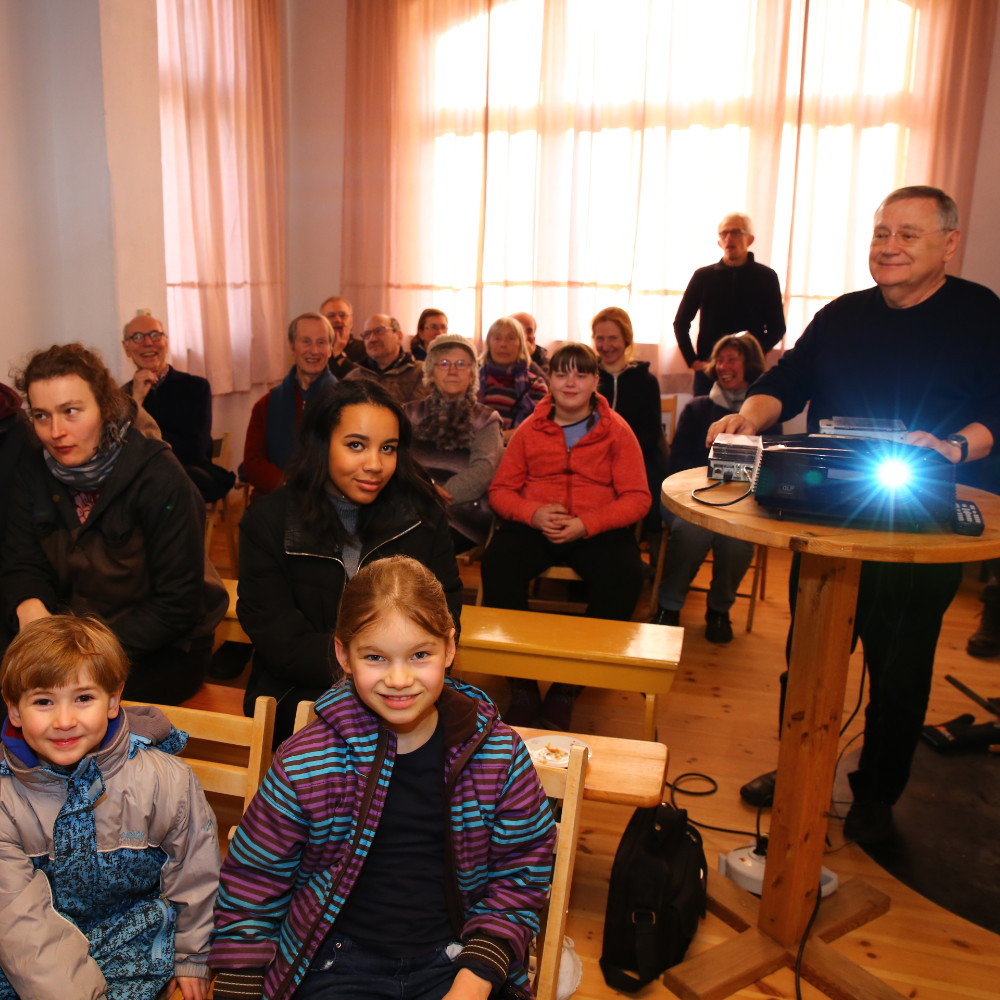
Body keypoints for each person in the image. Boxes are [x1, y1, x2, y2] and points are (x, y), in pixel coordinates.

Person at [709, 186, 1000, 845]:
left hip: (920, 520)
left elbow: (996, 412)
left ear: (949, 244)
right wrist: (746, 418)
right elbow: (785, 385)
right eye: (879, 233)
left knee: (899, 671)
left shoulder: (981, 315)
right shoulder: (842, 315)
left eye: (907, 235)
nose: (888, 247)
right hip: (827, 519)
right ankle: (798, 768)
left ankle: (876, 791)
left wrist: (954, 445)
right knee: (807, 657)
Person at [209, 556, 555, 1000]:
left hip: (459, 959)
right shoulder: (305, 762)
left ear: (449, 648)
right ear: (343, 655)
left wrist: (478, 974)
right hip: (338, 963)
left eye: (420, 655)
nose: (398, 679)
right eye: (375, 657)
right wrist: (239, 981)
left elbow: (522, 872)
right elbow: (254, 880)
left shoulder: (499, 755)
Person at [0, 615, 220, 1000]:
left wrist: (194, 955)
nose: (64, 721)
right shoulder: (5, 799)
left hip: (135, 943)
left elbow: (196, 874)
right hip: (33, 962)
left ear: (114, 699)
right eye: (43, 701)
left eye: (83, 698)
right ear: (15, 710)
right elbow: (22, 926)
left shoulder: (165, 781)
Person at [237, 379, 463, 744]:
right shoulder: (269, 521)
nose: (375, 464)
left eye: (387, 448)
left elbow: (445, 608)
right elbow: (275, 634)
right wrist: (367, 670)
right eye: (356, 445)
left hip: (404, 686)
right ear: (322, 444)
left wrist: (393, 674)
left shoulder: (421, 517)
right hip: (300, 693)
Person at [3, 343, 226, 704]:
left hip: (158, 647)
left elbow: (177, 605)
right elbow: (21, 561)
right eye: (42, 416)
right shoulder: (33, 468)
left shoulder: (159, 476)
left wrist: (84, 648)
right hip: (70, 636)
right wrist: (30, 605)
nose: (55, 431)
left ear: (104, 408)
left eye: (71, 411)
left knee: (67, 702)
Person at [482, 343, 651, 729]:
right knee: (498, 565)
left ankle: (568, 687)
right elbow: (501, 492)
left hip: (595, 526)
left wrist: (588, 524)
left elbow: (638, 498)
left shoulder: (617, 431)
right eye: (561, 374)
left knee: (627, 575)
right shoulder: (529, 430)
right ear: (549, 381)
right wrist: (534, 513)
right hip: (538, 524)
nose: (570, 382)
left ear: (595, 381)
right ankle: (522, 683)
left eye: (580, 374)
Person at [652, 334, 765, 642]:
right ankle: (669, 605)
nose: (723, 367)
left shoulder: (765, 418)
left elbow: (770, 473)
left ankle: (719, 609)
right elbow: (678, 466)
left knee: (737, 540)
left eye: (732, 360)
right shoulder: (697, 409)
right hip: (688, 499)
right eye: (720, 360)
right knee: (693, 530)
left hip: (741, 505)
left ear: (750, 365)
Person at [120, 311, 233, 503]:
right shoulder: (121, 396)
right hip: (143, 478)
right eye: (137, 337)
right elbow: (117, 449)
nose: (148, 342)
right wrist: (136, 401)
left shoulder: (196, 387)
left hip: (188, 474)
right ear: (127, 349)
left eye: (155, 335)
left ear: (166, 342)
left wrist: (144, 445)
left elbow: (195, 449)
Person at [404, 334, 503, 553]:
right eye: (444, 364)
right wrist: (424, 490)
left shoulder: (486, 419)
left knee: (414, 544)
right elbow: (397, 461)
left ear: (472, 373)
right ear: (430, 371)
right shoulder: (408, 413)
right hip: (412, 504)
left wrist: (435, 497)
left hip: (463, 512)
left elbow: (482, 472)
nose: (452, 370)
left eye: (461, 364)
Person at [674, 212, 785, 395]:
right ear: (719, 242)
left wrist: (753, 356)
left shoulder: (766, 277)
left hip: (749, 374)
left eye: (736, 232)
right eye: (724, 234)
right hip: (710, 370)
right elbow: (681, 322)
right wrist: (692, 360)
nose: (729, 238)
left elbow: (777, 327)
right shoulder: (703, 276)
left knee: (748, 422)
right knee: (703, 421)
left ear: (750, 239)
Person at [592, 306, 669, 540]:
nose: (606, 346)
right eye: (600, 339)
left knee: (653, 494)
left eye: (613, 338)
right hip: (590, 455)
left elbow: (650, 431)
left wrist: (618, 452)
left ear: (627, 340)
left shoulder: (646, 381)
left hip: (636, 456)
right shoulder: (586, 376)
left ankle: (652, 558)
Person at [241, 312, 336, 498]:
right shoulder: (266, 404)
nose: (314, 350)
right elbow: (252, 462)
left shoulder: (345, 403)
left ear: (331, 348)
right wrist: (287, 485)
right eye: (306, 341)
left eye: (322, 342)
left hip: (325, 501)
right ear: (292, 346)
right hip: (276, 497)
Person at [477, 315, 548, 439]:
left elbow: (540, 424)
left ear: (521, 345)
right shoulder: (472, 380)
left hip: (518, 448)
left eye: (511, 338)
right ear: (489, 343)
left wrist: (497, 438)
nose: (503, 344)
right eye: (497, 338)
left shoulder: (535, 384)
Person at [344, 313, 426, 404]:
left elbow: (418, 414)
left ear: (399, 336)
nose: (372, 339)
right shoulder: (354, 377)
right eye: (367, 334)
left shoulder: (420, 373)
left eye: (379, 331)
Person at [320, 295, 361, 376]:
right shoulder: (317, 350)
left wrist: (339, 354)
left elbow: (363, 382)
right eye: (331, 316)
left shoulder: (366, 349)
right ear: (321, 322)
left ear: (351, 322)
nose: (337, 320)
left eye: (342, 315)